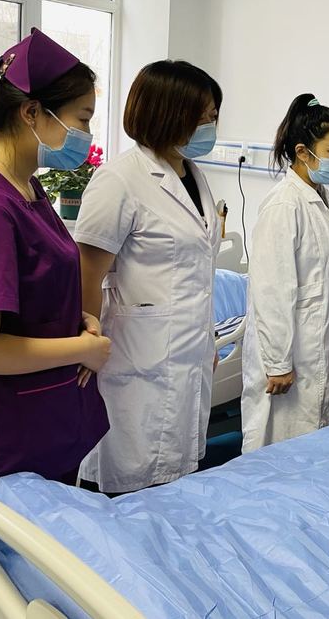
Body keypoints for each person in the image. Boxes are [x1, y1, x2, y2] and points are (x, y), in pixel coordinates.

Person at [0, 30, 111, 488]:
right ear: (31, 113)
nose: (86, 136)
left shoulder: (26, 184)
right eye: (81, 119)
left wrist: (76, 318)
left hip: (43, 423)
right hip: (3, 443)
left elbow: (32, 290)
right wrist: (82, 349)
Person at [75, 60, 223, 494]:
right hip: (133, 359)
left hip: (188, 355)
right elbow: (86, 275)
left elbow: (194, 275)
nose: (211, 127)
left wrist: (206, 339)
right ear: (170, 113)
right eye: (204, 116)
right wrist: (84, 347)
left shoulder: (193, 176)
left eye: (214, 117)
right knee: (125, 486)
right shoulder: (119, 179)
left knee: (175, 484)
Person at [240, 94, 329, 452]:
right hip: (288, 355)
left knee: (313, 443)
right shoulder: (284, 204)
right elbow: (272, 291)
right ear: (303, 152)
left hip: (315, 344)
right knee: (279, 447)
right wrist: (277, 363)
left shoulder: (320, 197)